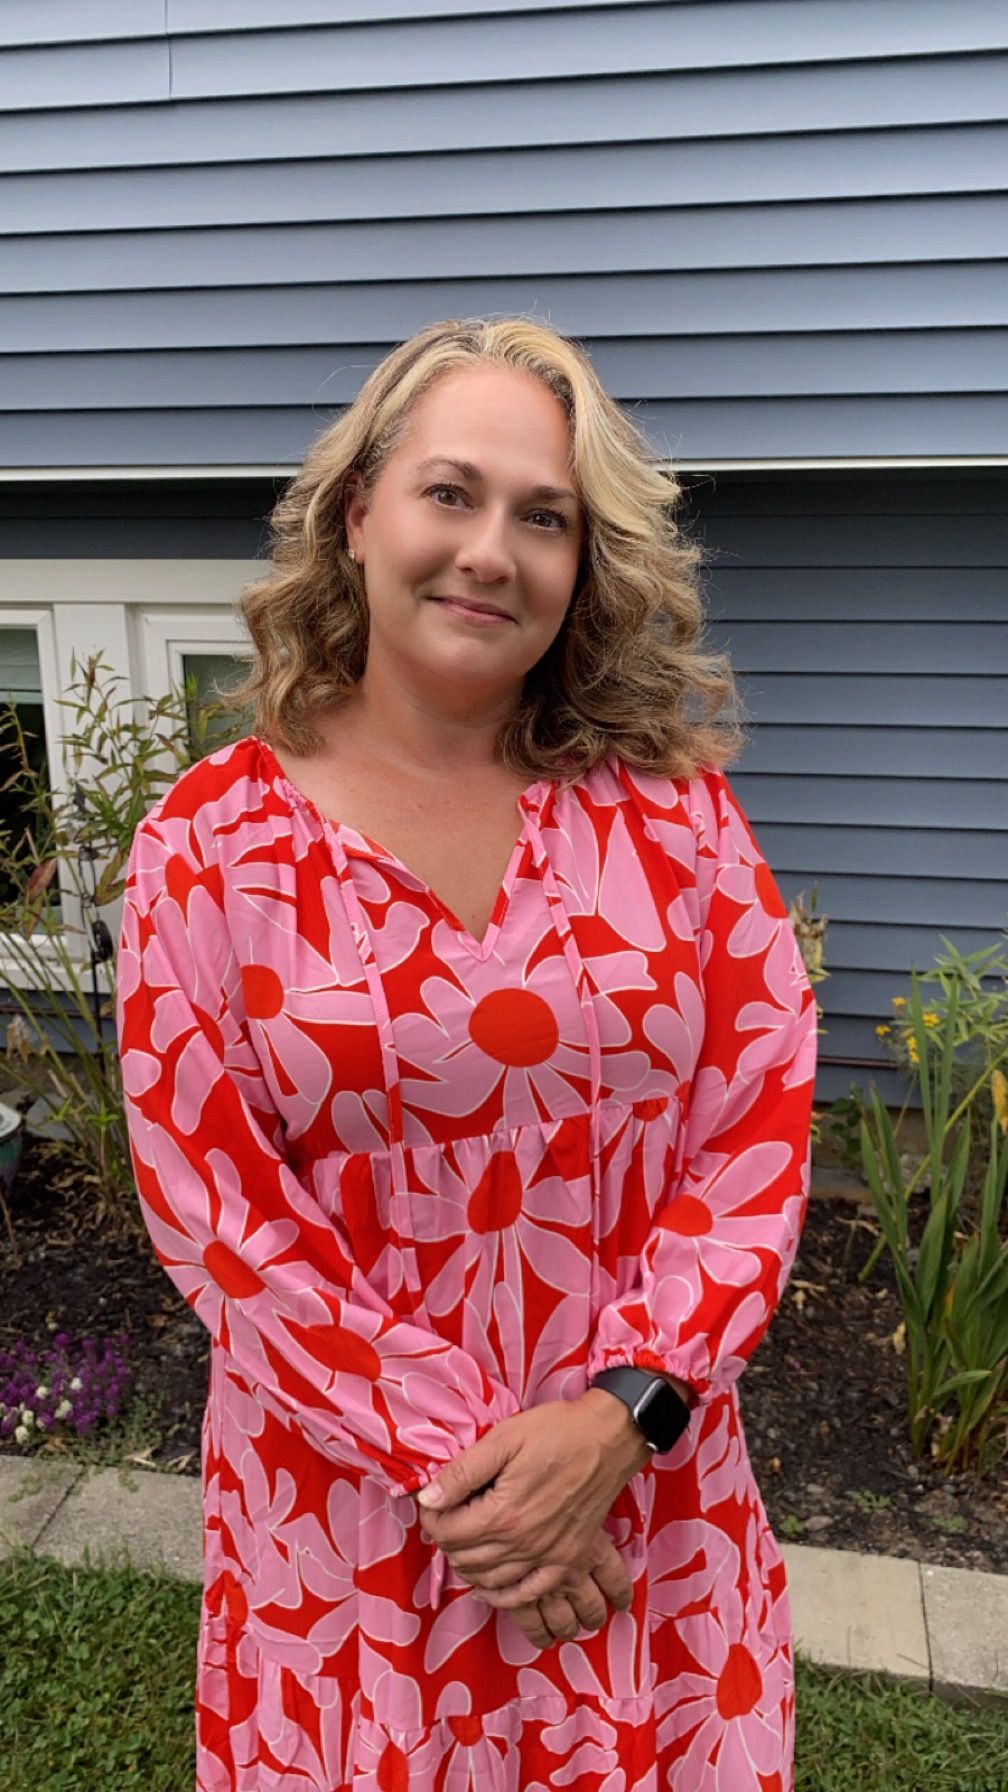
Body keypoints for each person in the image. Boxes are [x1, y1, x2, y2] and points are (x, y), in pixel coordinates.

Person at [116, 315, 817, 1792]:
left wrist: (622, 1417)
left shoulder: (676, 821)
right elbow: (219, 1215)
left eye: (544, 516)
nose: (491, 552)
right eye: (451, 492)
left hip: (644, 1509)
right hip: (358, 1542)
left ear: (585, 561)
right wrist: (485, 1484)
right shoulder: (210, 848)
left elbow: (755, 1128)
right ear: (355, 514)